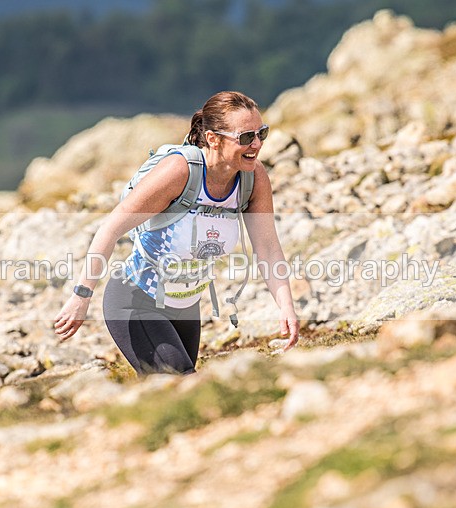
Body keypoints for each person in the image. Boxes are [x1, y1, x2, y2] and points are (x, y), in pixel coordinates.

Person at [54, 90, 298, 375]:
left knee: (175, 396)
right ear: (213, 139)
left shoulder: (253, 178)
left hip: (186, 307)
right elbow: (111, 228)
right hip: (136, 300)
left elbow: (268, 248)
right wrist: (81, 296)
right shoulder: (179, 171)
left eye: (262, 133)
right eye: (245, 137)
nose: (256, 144)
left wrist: (286, 307)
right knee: (185, 382)